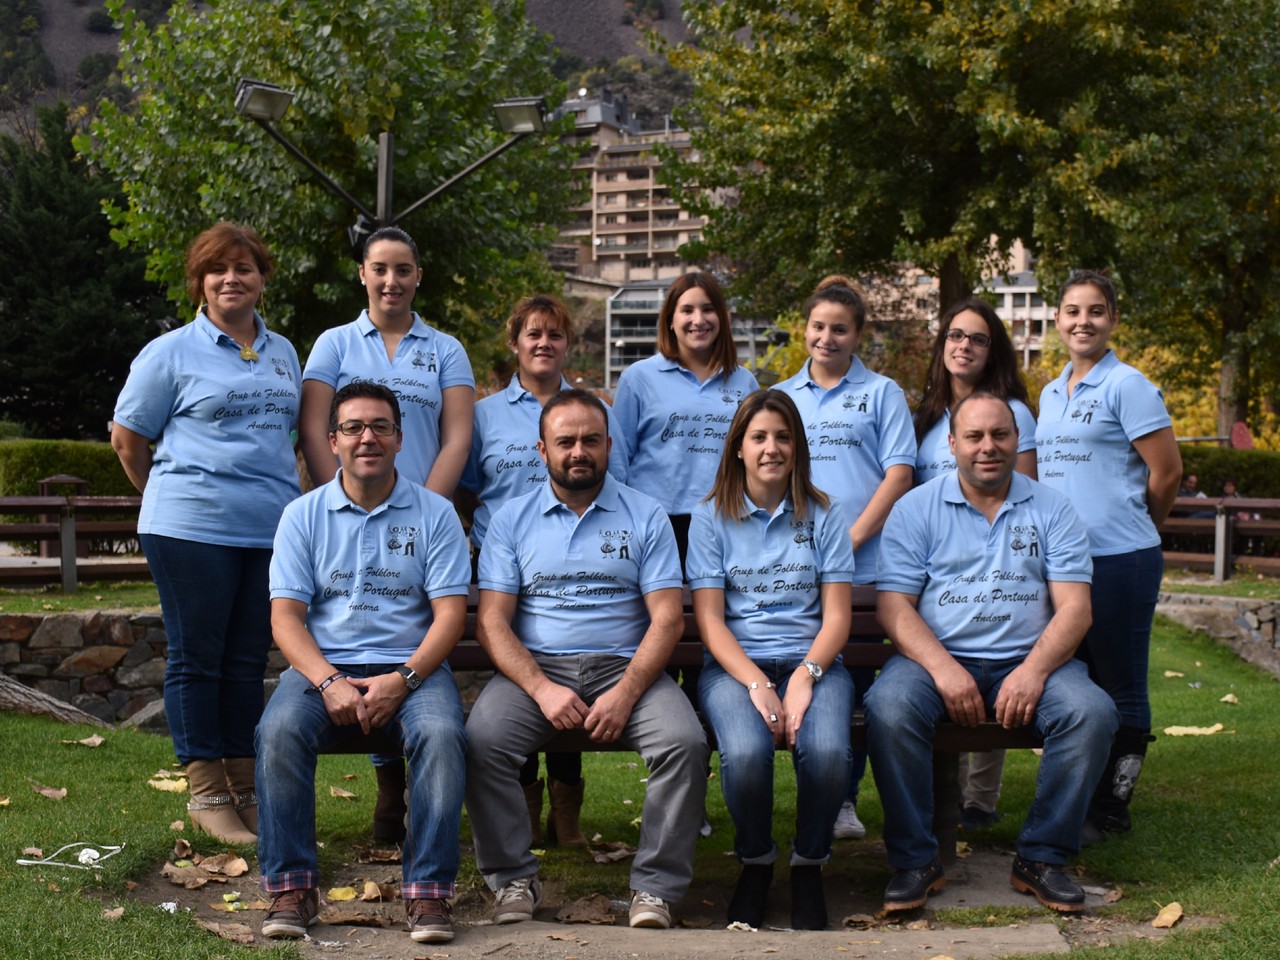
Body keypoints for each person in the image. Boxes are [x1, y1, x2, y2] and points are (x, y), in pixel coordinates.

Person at [465, 389, 707, 930]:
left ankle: (656, 888)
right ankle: (512, 879)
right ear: (542, 449)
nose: (579, 451)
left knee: (684, 743)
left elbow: (668, 619)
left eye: (591, 440)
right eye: (566, 441)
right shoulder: (511, 520)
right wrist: (541, 688)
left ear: (608, 446)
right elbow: (492, 622)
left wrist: (626, 692)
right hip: (538, 670)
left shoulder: (646, 515)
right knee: (482, 742)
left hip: (625, 667)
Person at [867, 393, 1118, 913]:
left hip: (1028, 661)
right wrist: (943, 669)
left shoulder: (1053, 509)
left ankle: (1042, 857)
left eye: (1000, 435)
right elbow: (893, 607)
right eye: (975, 436)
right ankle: (915, 860)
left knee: (1092, 712)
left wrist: (1032, 672)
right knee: (888, 707)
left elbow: (1075, 609)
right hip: (933, 660)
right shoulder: (915, 508)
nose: (988, 447)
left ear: (1017, 440)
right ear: (951, 444)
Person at [256, 383, 470, 944]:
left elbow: (450, 616)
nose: (367, 438)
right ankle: (291, 887)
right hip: (324, 667)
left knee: (442, 735)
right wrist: (328, 680)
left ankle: (428, 893)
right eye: (352, 427)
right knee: (278, 731)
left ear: (399, 438)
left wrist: (404, 679)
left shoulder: (436, 514)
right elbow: (286, 620)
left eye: (380, 426)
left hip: (413, 669)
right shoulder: (302, 516)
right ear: (333, 441)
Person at [112, 222, 301, 845]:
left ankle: (245, 790)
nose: (231, 279)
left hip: (268, 531)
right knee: (198, 658)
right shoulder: (169, 353)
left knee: (246, 662)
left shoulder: (283, 352)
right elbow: (128, 440)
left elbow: (288, 438)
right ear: (200, 281)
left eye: (244, 268)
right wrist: (169, 498)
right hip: (190, 529)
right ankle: (207, 794)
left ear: (262, 279)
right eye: (217, 269)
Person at [299, 225, 475, 842]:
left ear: (418, 276)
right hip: (348, 511)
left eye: (403, 269)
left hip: (424, 518)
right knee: (363, 618)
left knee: (408, 626)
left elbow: (457, 436)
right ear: (363, 275)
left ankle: (408, 787)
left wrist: (423, 509)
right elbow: (316, 428)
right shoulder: (334, 343)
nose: (391, 280)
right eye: (380, 269)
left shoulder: (445, 349)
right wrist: (338, 495)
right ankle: (389, 785)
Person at [688, 390, 854, 930]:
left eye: (783, 437)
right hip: (736, 669)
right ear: (738, 447)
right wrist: (758, 683)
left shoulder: (825, 513)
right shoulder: (710, 517)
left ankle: (809, 862)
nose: (771, 448)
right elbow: (711, 622)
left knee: (826, 752)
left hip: (815, 664)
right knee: (744, 753)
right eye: (758, 437)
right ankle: (756, 860)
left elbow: (837, 617)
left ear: (797, 447)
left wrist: (806, 675)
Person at [1036, 270, 1182, 842]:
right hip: (1064, 565)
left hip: (1122, 558)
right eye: (1073, 311)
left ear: (1113, 320)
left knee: (1122, 682)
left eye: (1095, 311)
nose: (1083, 322)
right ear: (1057, 320)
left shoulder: (1128, 385)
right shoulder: (1051, 393)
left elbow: (1166, 472)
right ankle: (1082, 792)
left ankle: (1113, 804)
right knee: (1082, 680)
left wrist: (1141, 526)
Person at [774, 275, 916, 841]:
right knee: (811, 672)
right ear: (804, 329)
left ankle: (843, 799)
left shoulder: (882, 393)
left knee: (853, 680)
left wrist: (848, 540)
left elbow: (899, 475)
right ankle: (814, 789)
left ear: (858, 335)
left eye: (839, 329)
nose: (826, 338)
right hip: (796, 567)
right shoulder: (782, 396)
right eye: (818, 326)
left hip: (866, 564)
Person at [457, 294, 586, 848]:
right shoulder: (485, 415)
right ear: (514, 343)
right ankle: (526, 810)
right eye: (533, 333)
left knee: (570, 671)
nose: (544, 344)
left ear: (567, 345)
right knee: (520, 679)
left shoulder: (588, 410)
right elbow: (466, 489)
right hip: (502, 570)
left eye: (555, 335)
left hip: (573, 565)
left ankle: (567, 813)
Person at [914, 297, 1038, 831]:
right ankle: (947, 797)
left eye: (978, 339)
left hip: (996, 554)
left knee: (993, 650)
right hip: (937, 556)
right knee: (944, 674)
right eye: (955, 335)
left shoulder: (1014, 413)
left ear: (993, 351)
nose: (964, 346)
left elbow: (1026, 493)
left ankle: (980, 801)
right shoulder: (925, 417)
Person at [608, 272, 758, 568]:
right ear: (670, 320)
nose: (698, 320)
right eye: (687, 310)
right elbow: (618, 459)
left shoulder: (745, 382)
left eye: (708, 309)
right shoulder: (638, 378)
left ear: (722, 317)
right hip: (655, 522)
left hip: (727, 522)